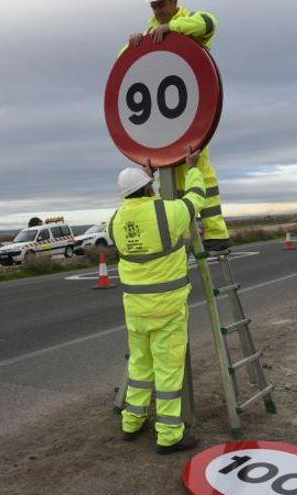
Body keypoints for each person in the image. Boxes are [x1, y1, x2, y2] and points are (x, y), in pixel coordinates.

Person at [108, 147, 205, 454]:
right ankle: (169, 435)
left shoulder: (114, 222)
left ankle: (131, 423)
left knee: (139, 366)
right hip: (167, 308)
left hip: (135, 310)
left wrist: (146, 179)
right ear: (150, 188)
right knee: (168, 370)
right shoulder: (169, 211)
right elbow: (196, 199)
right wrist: (192, 168)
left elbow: (143, 212)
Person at [127, 0, 231, 252]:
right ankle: (179, 238)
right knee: (170, 182)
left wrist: (174, 28)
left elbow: (210, 22)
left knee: (202, 174)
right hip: (163, 124)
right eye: (152, 6)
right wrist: (132, 45)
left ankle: (216, 234)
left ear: (174, 2)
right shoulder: (150, 33)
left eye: (161, 4)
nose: (156, 10)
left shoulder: (189, 20)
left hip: (191, 116)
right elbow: (124, 64)